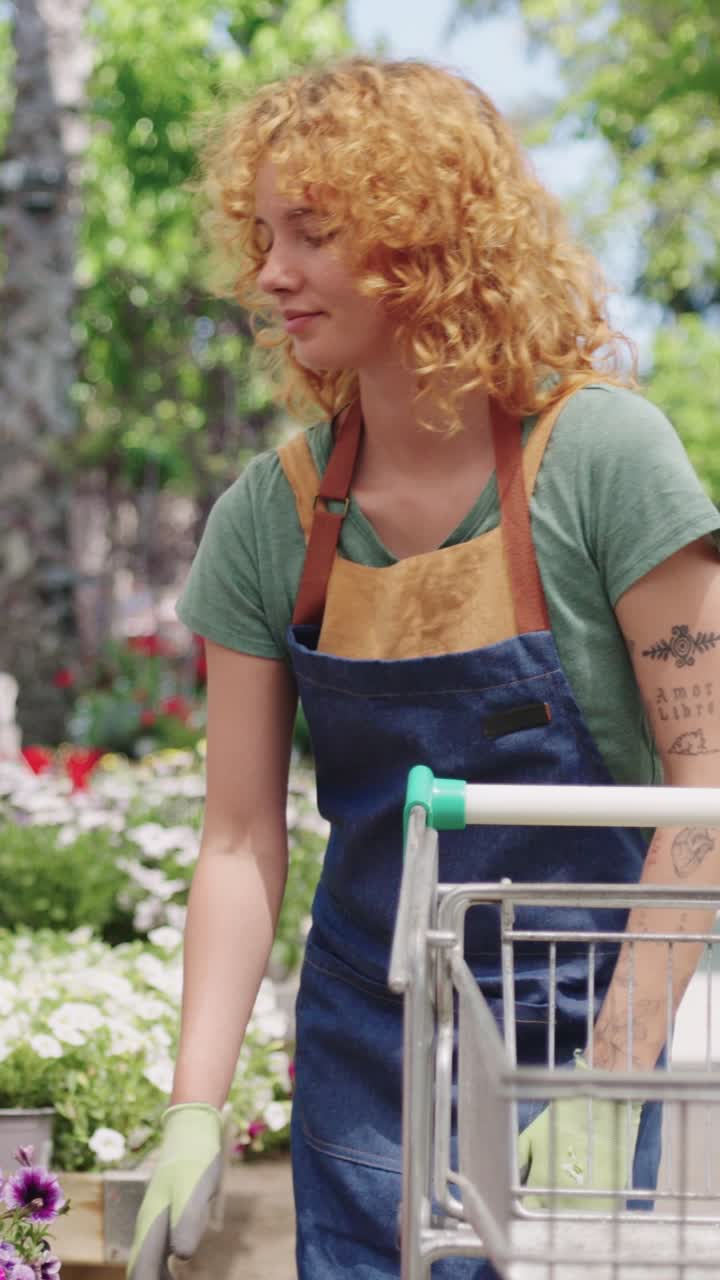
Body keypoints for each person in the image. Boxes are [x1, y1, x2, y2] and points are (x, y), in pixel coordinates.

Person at [127, 56, 720, 1280]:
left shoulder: (604, 457)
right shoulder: (269, 519)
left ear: (430, 238)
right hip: (370, 1046)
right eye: (262, 233)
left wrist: (610, 1076)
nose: (269, 272)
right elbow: (239, 838)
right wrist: (193, 1108)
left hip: (583, 1021)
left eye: (315, 232)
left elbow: (705, 785)